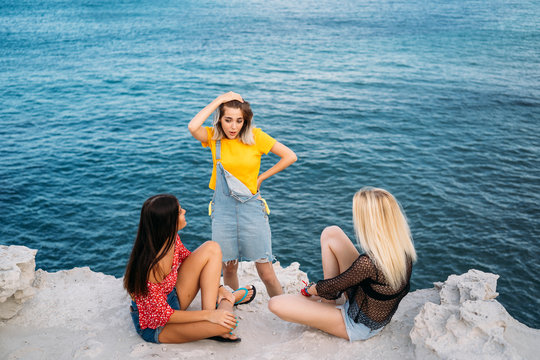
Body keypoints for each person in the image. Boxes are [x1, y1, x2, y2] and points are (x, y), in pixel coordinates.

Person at [268, 187, 417, 341]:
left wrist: (309, 290)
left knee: (275, 303)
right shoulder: (403, 249)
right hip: (364, 302)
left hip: (359, 325)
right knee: (331, 232)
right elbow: (342, 283)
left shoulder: (368, 263)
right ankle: (329, 303)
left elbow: (329, 287)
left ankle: (328, 307)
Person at [188, 92, 297, 297]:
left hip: (252, 210)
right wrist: (220, 100)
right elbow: (193, 126)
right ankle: (233, 303)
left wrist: (262, 177)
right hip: (223, 211)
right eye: (228, 120)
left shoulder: (256, 137)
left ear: (245, 121)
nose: (233, 126)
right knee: (229, 267)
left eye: (239, 121)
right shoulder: (214, 137)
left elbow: (290, 156)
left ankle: (284, 309)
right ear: (220, 119)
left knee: (265, 271)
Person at [124, 194, 256, 344]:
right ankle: (228, 300)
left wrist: (218, 287)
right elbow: (161, 315)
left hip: (172, 298)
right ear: (169, 222)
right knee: (225, 326)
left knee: (211, 248)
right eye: (180, 212)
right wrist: (207, 316)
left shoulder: (170, 239)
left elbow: (192, 261)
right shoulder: (153, 266)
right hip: (157, 325)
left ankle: (216, 305)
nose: (185, 211)